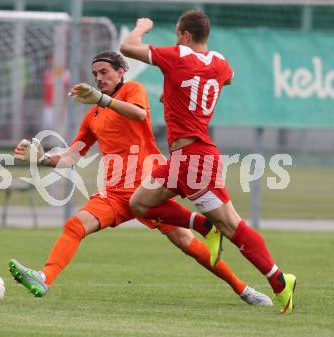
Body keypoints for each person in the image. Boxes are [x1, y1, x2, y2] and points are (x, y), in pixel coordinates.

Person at [8, 51, 272, 306]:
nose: (99, 77)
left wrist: (101, 98)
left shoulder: (133, 90)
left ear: (121, 72)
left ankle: (243, 289)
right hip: (115, 194)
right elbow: (71, 157)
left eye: (105, 72)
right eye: (95, 73)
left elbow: (139, 114)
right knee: (75, 226)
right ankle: (44, 278)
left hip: (150, 189)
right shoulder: (93, 117)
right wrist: (42, 158)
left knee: (187, 243)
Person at [119, 11, 296, 314]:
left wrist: (141, 28)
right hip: (181, 158)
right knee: (139, 204)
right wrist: (179, 94)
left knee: (231, 224)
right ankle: (203, 226)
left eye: (177, 35)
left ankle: (280, 280)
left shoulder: (177, 55)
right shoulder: (220, 62)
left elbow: (127, 48)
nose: (176, 40)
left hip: (196, 157)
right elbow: (229, 79)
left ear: (185, 36)